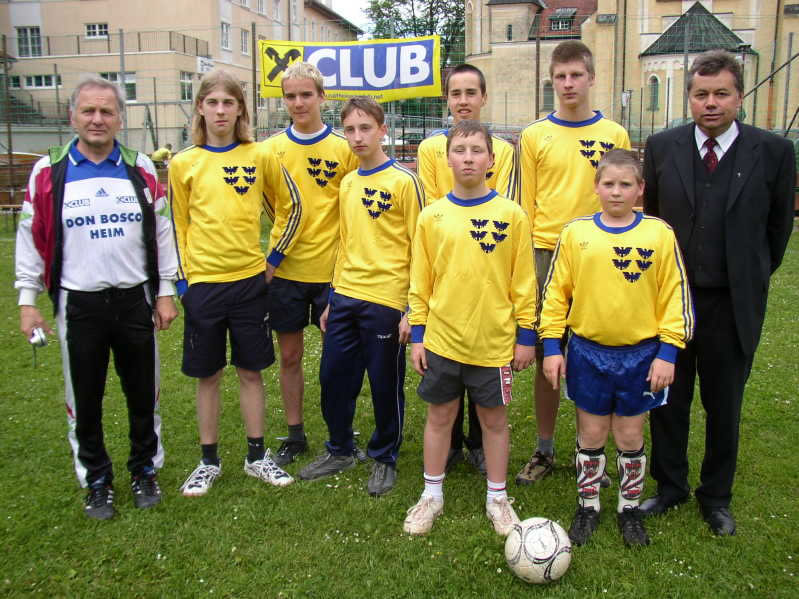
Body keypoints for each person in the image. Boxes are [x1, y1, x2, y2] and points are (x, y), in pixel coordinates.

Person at [641, 50, 795, 536]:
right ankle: (670, 485)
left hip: (732, 303)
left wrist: (748, 275)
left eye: (721, 94)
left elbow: (778, 230)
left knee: (724, 404)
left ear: (739, 97)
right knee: (668, 399)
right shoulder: (662, 147)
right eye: (701, 94)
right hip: (673, 302)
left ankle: (716, 495)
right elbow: (652, 222)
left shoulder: (773, 152)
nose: (711, 103)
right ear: (689, 97)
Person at [14, 75, 179, 520]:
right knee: (84, 399)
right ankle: (97, 480)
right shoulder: (48, 170)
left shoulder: (140, 167)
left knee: (143, 396)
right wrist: (28, 300)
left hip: (134, 299)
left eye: (107, 111)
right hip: (78, 303)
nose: (97, 119)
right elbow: (30, 237)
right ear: (73, 116)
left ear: (120, 118)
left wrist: (166, 291)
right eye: (88, 110)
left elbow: (163, 232)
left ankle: (145, 469)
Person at [539, 149, 694, 546]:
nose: (616, 191)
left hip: (640, 355)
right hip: (588, 352)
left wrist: (668, 351)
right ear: (596, 187)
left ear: (640, 189)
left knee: (629, 435)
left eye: (626, 184)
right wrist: (552, 345)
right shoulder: (576, 234)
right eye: (608, 183)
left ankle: (629, 508)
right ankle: (588, 505)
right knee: (591, 434)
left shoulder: (658, 234)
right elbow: (555, 294)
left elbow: (674, 296)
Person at [169, 69, 302, 496]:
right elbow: (177, 225)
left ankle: (256, 455)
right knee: (207, 375)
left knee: (250, 371)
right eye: (213, 103)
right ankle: (208, 461)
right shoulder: (183, 163)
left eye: (229, 103)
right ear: (200, 108)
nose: (221, 111)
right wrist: (184, 283)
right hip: (204, 286)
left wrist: (273, 258)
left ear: (241, 109)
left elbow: (292, 206)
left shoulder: (259, 155)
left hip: (249, 283)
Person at [403, 120, 536, 536]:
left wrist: (526, 336)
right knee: (440, 416)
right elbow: (420, 283)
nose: (468, 158)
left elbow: (523, 282)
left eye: (477, 151)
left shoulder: (511, 215)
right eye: (459, 151)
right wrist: (419, 335)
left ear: (491, 160)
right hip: (443, 340)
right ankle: (431, 495)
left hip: (493, 343)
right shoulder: (432, 217)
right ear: (447, 159)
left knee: (493, 421)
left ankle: (498, 498)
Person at [516, 41, 631, 486]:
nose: (568, 84)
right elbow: (524, 206)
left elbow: (625, 200)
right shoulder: (534, 135)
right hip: (546, 254)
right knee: (548, 353)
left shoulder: (614, 134)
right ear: (552, 81)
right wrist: (525, 265)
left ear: (591, 78)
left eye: (576, 75)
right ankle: (544, 449)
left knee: (594, 355)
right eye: (560, 77)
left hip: (597, 255)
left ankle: (590, 452)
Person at [298, 97, 423, 497]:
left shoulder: (404, 182)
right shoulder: (348, 182)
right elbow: (346, 241)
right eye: (350, 129)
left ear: (382, 130)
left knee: (385, 384)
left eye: (365, 128)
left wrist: (411, 309)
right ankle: (340, 449)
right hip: (345, 296)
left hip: (386, 300)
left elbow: (422, 248)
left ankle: (384, 455)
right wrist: (333, 296)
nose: (357, 137)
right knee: (333, 377)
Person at [415, 63, 518, 476]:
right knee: (448, 366)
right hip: (448, 251)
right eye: (455, 93)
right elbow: (428, 200)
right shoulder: (430, 149)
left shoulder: (504, 152)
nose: (463, 101)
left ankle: (479, 443)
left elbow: (503, 204)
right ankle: (450, 445)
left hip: (487, 249)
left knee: (483, 361)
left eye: (470, 93)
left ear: (483, 97)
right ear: (447, 99)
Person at [262, 62, 358, 466]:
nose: (298, 103)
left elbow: (353, 210)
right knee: (289, 356)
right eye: (290, 96)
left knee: (338, 360)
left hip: (332, 272)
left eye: (306, 94)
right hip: (286, 273)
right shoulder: (270, 150)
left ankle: (341, 431)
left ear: (322, 96)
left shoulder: (343, 148)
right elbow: (271, 204)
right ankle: (295, 433)